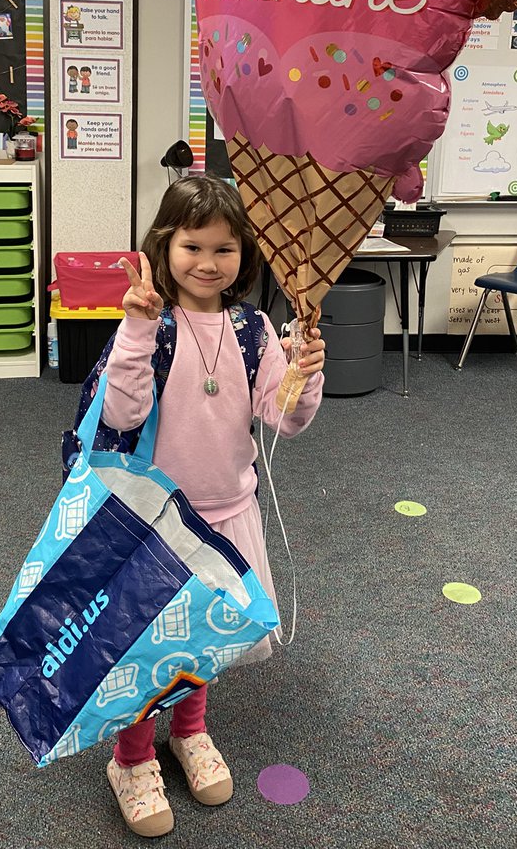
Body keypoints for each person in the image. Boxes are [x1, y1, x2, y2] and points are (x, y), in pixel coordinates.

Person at [99, 175, 325, 837]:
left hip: (226, 516)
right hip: (155, 524)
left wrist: (303, 374)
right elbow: (121, 414)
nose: (207, 262)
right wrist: (136, 330)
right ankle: (131, 758)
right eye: (192, 246)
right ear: (165, 246)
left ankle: (190, 731)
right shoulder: (154, 324)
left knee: (204, 636)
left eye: (224, 248)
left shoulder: (253, 328)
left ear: (244, 253)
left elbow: (282, 419)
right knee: (145, 647)